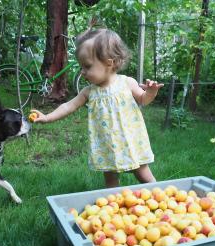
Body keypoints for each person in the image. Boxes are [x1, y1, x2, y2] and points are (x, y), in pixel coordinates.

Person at [31, 28, 164, 188]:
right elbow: (68, 106)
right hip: (106, 144)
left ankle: (158, 194)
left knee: (143, 173)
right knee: (111, 181)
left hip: (130, 140)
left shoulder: (127, 83)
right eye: (82, 67)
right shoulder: (89, 92)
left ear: (109, 62)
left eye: (87, 66)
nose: (83, 72)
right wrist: (47, 117)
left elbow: (144, 99)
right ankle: (113, 204)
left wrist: (151, 91)